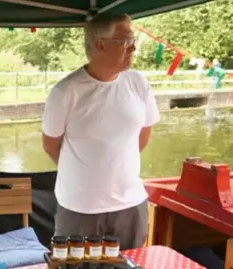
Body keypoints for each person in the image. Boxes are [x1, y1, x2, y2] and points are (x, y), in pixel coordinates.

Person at [41, 12, 160, 250]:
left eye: (133, 41)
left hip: (130, 205)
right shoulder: (66, 92)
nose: (134, 48)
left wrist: (115, 165)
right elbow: (50, 145)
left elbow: (145, 132)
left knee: (131, 265)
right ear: (101, 44)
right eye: (126, 41)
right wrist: (86, 172)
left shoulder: (138, 83)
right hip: (80, 208)